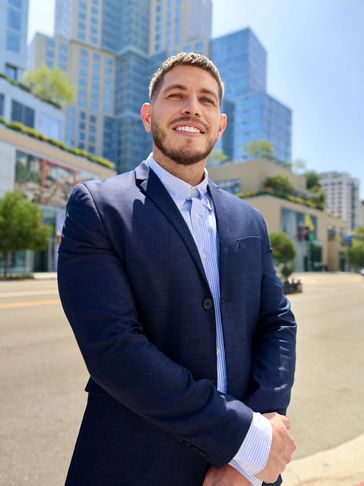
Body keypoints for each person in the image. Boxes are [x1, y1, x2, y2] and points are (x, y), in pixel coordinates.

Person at [58, 52, 296, 486]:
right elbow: (113, 348)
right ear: (149, 115)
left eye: (207, 99)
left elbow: (276, 322)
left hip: (248, 474)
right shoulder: (97, 207)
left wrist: (254, 452)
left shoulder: (250, 221)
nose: (192, 107)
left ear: (220, 124)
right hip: (133, 465)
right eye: (177, 95)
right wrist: (246, 439)